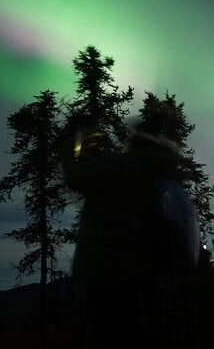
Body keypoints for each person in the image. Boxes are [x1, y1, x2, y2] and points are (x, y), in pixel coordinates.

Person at [65, 126, 199, 348]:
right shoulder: (161, 174)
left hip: (106, 270)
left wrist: (74, 147)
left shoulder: (119, 167)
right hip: (146, 271)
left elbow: (75, 177)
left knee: (111, 333)